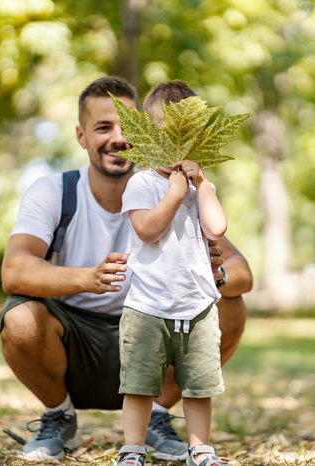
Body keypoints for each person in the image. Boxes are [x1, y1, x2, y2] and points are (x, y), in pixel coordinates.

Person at [0, 76, 252, 461]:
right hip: (75, 342)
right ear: (82, 136)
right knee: (19, 318)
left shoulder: (185, 192)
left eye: (127, 126)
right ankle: (58, 414)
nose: (119, 137)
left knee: (230, 306)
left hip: (159, 328)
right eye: (103, 127)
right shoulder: (55, 192)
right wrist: (88, 278)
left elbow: (241, 272)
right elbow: (14, 271)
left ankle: (159, 417)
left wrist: (214, 273)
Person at [116, 80, 229, 466]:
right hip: (147, 304)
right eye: (164, 137)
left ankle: (201, 447)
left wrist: (200, 185)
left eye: (185, 139)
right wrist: (175, 194)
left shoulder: (201, 188)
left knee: (198, 385)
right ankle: (133, 447)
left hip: (196, 304)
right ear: (146, 138)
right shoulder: (142, 183)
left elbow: (216, 229)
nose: (174, 149)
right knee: (140, 383)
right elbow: (147, 229)